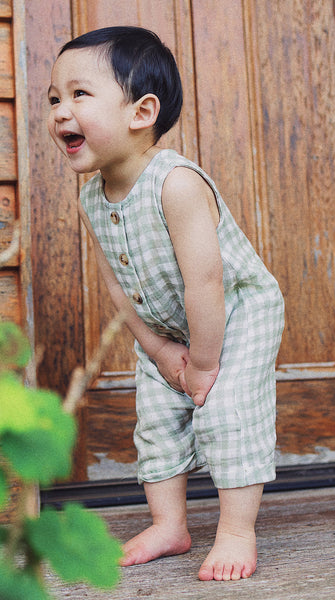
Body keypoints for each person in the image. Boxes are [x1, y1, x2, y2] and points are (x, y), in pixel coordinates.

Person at [47, 25, 284, 582]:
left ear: (141, 111)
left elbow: (206, 281)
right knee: (154, 421)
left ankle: (234, 531)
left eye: (79, 94)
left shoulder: (174, 183)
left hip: (236, 311)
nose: (61, 111)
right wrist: (156, 349)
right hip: (164, 325)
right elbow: (114, 283)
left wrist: (202, 363)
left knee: (227, 413)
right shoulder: (91, 196)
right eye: (54, 98)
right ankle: (169, 523)